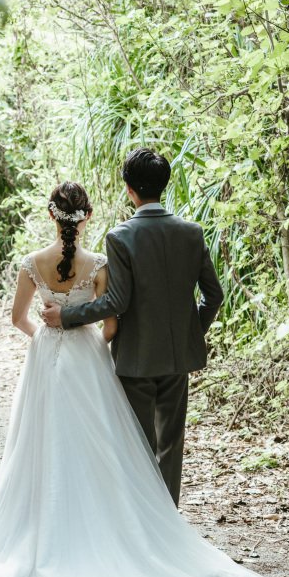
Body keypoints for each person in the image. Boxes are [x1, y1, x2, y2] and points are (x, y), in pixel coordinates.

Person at [0, 179, 269, 577]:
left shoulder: (32, 263)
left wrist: (47, 339)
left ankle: (55, 523)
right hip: (93, 357)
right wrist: (88, 345)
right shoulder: (100, 262)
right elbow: (112, 323)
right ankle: (145, 526)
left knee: (41, 443)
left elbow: (19, 318)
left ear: (51, 215)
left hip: (46, 359)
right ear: (87, 216)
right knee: (112, 446)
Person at [41, 147, 223, 507]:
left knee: (138, 446)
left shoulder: (120, 236)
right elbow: (213, 296)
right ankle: (168, 521)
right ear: (163, 185)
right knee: (171, 445)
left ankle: (142, 520)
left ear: (129, 188)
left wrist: (67, 316)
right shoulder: (192, 232)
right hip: (178, 359)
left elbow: (116, 302)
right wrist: (189, 334)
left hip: (136, 359)